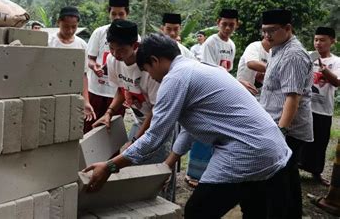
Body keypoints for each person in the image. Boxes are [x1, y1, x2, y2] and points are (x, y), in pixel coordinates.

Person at [84, 33, 292, 218]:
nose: (151, 76)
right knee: (254, 208)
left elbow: (154, 137)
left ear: (155, 61)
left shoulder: (175, 78)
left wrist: (110, 166)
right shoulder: (198, 68)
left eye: (147, 69)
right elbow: (190, 129)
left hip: (246, 151)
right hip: (272, 147)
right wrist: (168, 164)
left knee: (197, 211)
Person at [91, 20, 171, 163]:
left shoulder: (149, 67)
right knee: (132, 159)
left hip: (159, 122)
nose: (115, 54)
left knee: (156, 167)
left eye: (121, 49)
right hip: (141, 119)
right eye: (111, 48)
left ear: (135, 46)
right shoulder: (112, 60)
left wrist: (135, 140)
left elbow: (155, 110)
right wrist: (109, 113)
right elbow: (121, 90)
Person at [260, 9, 313, 218]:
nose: (267, 36)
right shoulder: (277, 48)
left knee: (280, 178)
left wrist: (280, 131)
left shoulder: (293, 54)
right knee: (287, 177)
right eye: (264, 31)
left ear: (288, 28)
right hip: (277, 124)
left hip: (288, 129)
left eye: (271, 31)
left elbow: (293, 98)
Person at [186, 8, 238, 187]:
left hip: (222, 93)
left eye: (231, 24)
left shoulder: (231, 45)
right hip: (208, 93)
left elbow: (227, 70)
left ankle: (208, 172)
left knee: (217, 136)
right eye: (224, 24)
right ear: (218, 23)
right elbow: (208, 71)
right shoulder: (211, 43)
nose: (228, 28)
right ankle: (193, 174)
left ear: (236, 25)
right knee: (203, 133)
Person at [299, 27, 339, 186]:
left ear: (332, 41)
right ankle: (295, 168)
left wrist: (324, 71)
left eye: (322, 40)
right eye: (316, 40)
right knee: (300, 139)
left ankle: (316, 172)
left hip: (324, 110)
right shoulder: (307, 56)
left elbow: (337, 82)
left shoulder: (336, 61)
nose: (318, 43)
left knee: (320, 142)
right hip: (304, 107)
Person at [86, 0, 129, 133]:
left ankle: (112, 155)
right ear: (109, 13)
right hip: (96, 90)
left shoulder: (134, 36)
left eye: (121, 14)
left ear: (127, 14)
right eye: (114, 14)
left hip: (117, 93)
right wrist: (94, 66)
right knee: (90, 128)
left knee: (112, 132)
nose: (117, 17)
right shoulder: (99, 32)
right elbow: (90, 58)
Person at [48, 6, 95, 121]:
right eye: (66, 27)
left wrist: (86, 101)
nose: (70, 31)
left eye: (74, 27)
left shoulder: (82, 45)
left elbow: (83, 75)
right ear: (59, 22)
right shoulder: (49, 42)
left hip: (72, 94)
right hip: (51, 93)